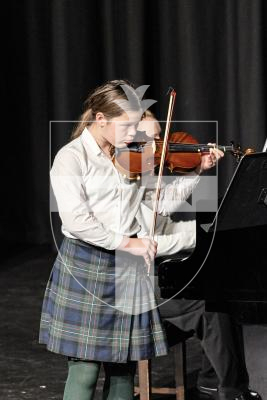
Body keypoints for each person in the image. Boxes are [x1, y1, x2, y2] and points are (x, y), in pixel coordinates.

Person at [39, 80, 220, 400]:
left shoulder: (129, 155)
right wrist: (128, 243)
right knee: (85, 370)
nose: (134, 132)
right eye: (128, 125)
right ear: (100, 120)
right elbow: (76, 221)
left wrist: (197, 171)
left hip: (127, 266)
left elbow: (160, 203)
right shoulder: (71, 158)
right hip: (87, 263)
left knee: (123, 368)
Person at [137, 111, 262, 400]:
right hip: (136, 283)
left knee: (223, 291)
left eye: (162, 137)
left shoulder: (148, 173)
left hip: (156, 271)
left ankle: (213, 378)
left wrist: (197, 169)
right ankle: (233, 390)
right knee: (209, 305)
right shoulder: (125, 178)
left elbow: (166, 207)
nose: (161, 145)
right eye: (153, 139)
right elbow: (149, 240)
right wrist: (199, 238)